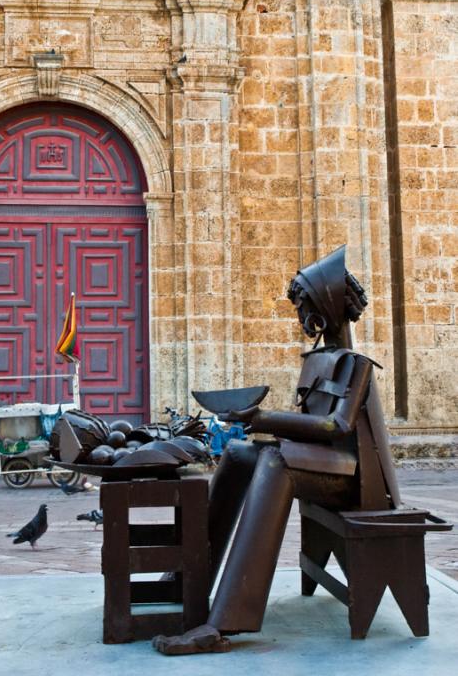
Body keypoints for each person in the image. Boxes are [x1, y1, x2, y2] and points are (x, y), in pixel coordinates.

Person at [153, 246, 401, 655]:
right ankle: (188, 576)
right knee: (237, 452)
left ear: (326, 306)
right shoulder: (319, 359)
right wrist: (258, 424)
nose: (301, 315)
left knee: (276, 461)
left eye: (304, 306)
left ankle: (225, 622)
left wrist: (265, 419)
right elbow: (310, 424)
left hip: (357, 483)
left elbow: (335, 426)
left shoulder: (355, 364)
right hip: (331, 466)